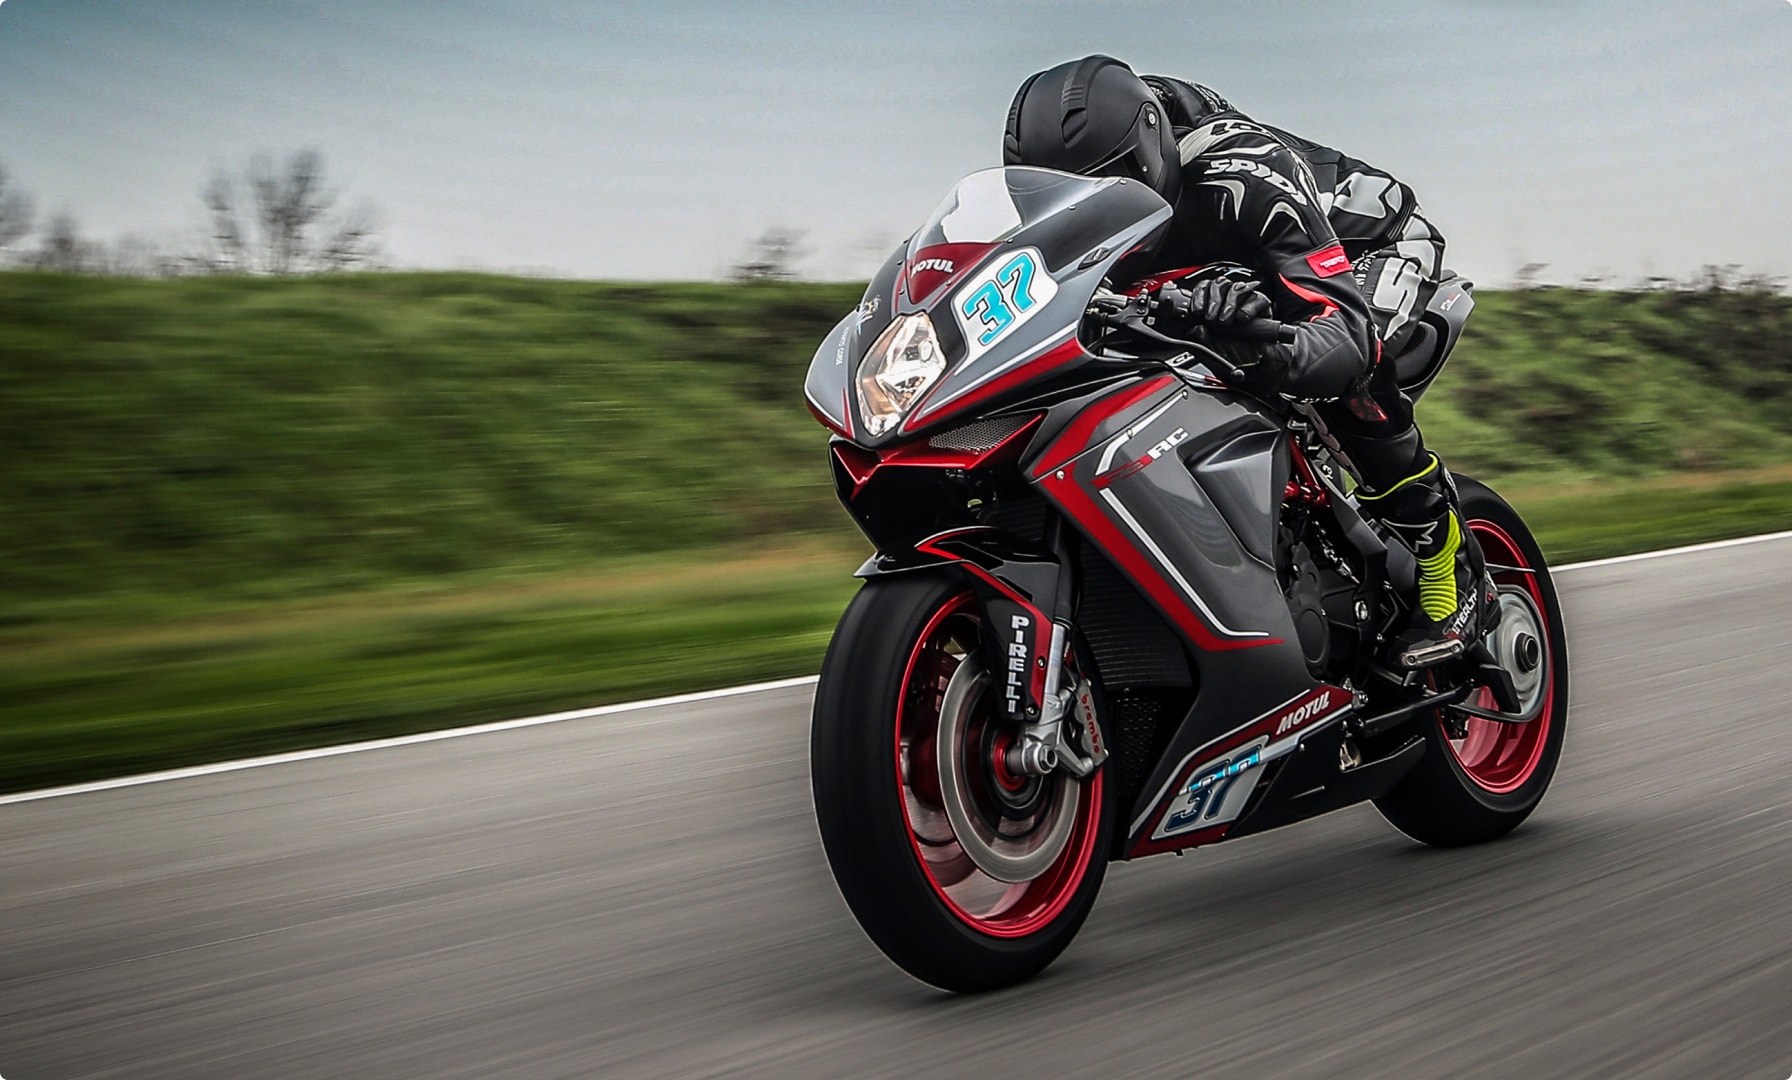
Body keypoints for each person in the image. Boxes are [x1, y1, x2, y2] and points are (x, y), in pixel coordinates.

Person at [1004, 55, 1493, 667]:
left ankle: (1441, 548)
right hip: (1235, 268)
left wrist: (1263, 352)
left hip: (1366, 250)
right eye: (1069, 195)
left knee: (1345, 370)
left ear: (1151, 145)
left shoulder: (1239, 169)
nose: (1088, 208)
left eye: (1113, 181)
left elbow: (1345, 334)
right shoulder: (1053, 217)